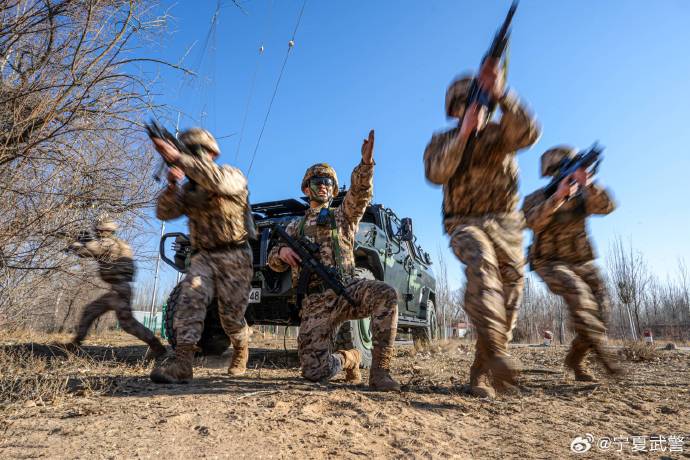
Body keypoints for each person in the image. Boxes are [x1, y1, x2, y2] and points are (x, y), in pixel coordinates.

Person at [423, 59, 541, 397]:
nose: (471, 110)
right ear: (454, 110)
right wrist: (462, 135)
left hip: (507, 225)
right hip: (464, 222)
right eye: (463, 106)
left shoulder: (501, 133)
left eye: (476, 103)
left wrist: (503, 93)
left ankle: (483, 370)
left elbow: (529, 133)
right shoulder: (442, 140)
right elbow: (435, 173)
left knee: (510, 296)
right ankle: (499, 358)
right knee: (481, 260)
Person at [268, 130, 400, 391]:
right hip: (315, 301)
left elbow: (361, 194)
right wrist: (280, 254)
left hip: (347, 289)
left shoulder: (343, 216)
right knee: (314, 372)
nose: (325, 185)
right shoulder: (295, 226)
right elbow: (274, 260)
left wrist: (366, 164)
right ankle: (350, 358)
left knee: (386, 295)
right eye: (318, 180)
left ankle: (380, 372)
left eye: (329, 181)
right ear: (307, 188)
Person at [150, 128, 254, 384]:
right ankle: (183, 362)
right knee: (190, 297)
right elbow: (164, 213)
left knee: (230, 317)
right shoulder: (188, 190)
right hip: (203, 257)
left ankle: (241, 349)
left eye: (197, 152)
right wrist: (173, 185)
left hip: (235, 255)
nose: (193, 157)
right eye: (189, 151)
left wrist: (180, 159)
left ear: (211, 153)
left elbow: (217, 181)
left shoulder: (231, 175)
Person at [522, 146, 620, 381]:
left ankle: (576, 359)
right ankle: (602, 355)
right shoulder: (536, 197)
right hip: (549, 262)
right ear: (553, 172)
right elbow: (531, 222)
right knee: (578, 294)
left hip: (581, 261)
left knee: (603, 309)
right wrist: (556, 198)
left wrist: (589, 184)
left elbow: (608, 207)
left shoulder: (584, 194)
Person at [66, 218, 166, 359]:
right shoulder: (121, 244)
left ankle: (157, 346)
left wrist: (75, 243)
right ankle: (74, 344)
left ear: (103, 230)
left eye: (98, 231)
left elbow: (88, 251)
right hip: (121, 288)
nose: (97, 233)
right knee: (99, 314)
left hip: (118, 290)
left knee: (126, 323)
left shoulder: (108, 242)